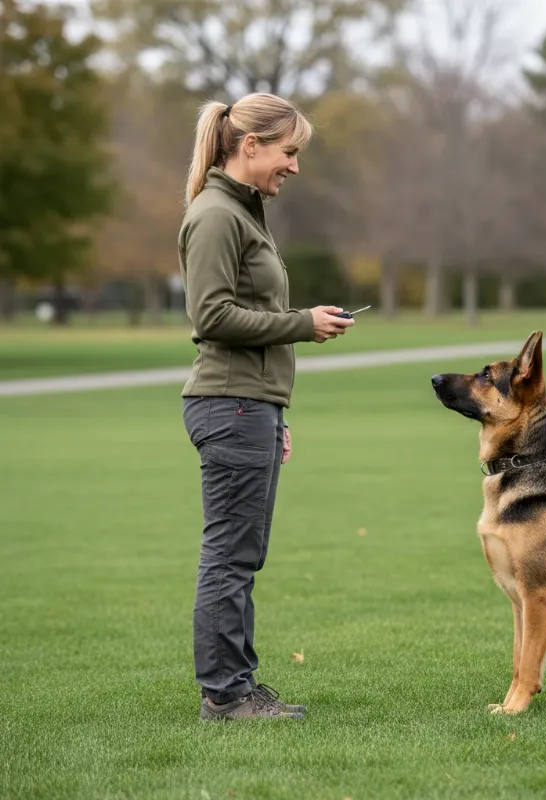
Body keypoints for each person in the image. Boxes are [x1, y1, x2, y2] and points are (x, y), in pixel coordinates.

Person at [179, 93, 354, 721]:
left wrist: (275, 412)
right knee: (229, 555)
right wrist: (301, 323)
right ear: (248, 145)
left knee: (241, 555)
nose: (295, 167)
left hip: (250, 407)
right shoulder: (218, 216)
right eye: (289, 152)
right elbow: (212, 316)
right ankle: (226, 696)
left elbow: (242, 315)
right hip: (229, 406)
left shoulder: (244, 213)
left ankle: (237, 686)